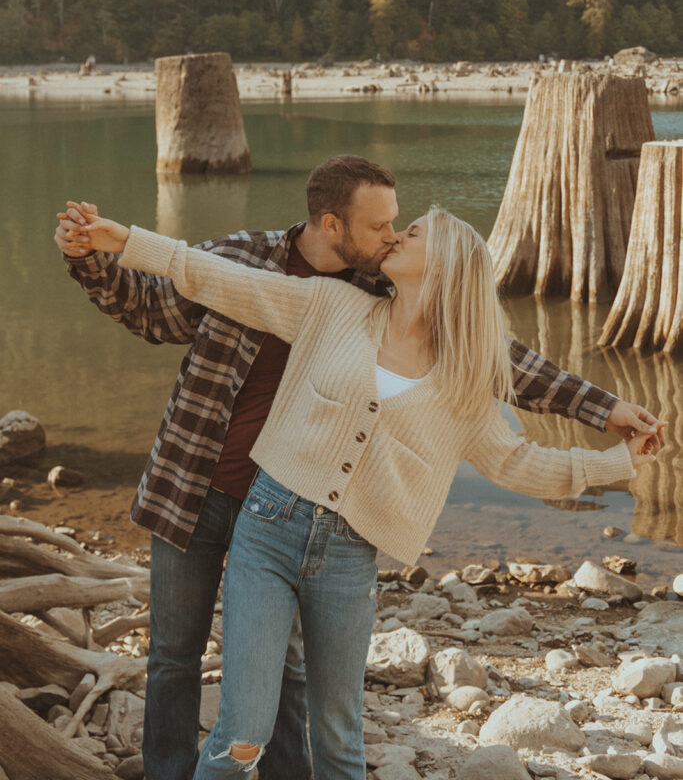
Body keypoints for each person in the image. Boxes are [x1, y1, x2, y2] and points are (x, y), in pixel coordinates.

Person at [55, 156, 663, 780]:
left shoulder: (403, 317)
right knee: (193, 678)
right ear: (331, 223)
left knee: (316, 706)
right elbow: (189, 285)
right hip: (205, 489)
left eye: (406, 229)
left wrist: (610, 428)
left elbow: (509, 405)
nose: (393, 237)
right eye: (382, 227)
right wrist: (109, 248)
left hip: (337, 544)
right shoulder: (296, 283)